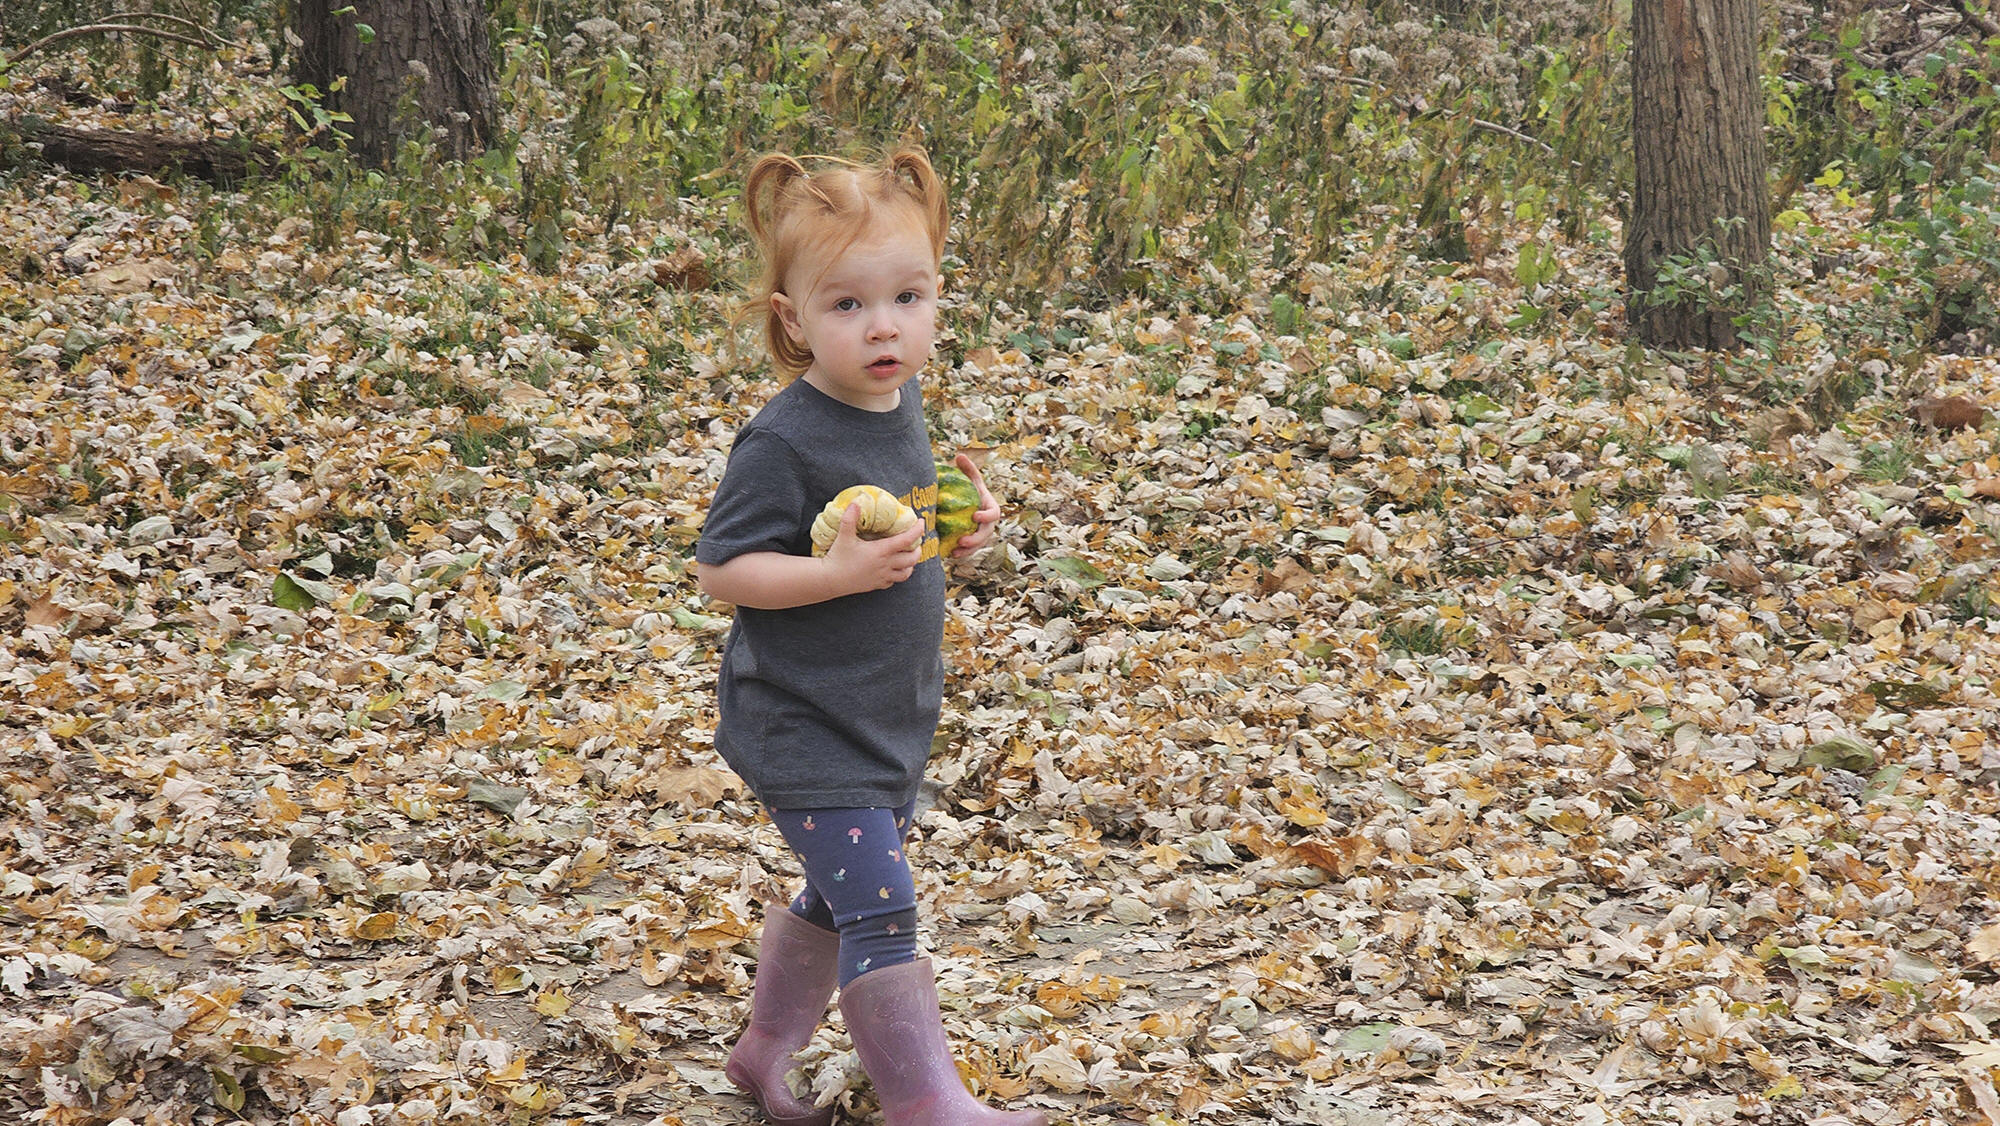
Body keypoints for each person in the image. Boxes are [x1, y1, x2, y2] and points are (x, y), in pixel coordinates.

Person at [695, 147, 1042, 1126]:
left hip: (885, 717)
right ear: (792, 320)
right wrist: (832, 577)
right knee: (882, 908)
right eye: (846, 304)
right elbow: (721, 570)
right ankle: (925, 1101)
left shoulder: (898, 405)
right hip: (803, 723)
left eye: (906, 296)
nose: (883, 324)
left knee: (837, 891)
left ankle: (765, 1051)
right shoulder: (783, 440)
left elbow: (898, 533)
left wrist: (960, 532)